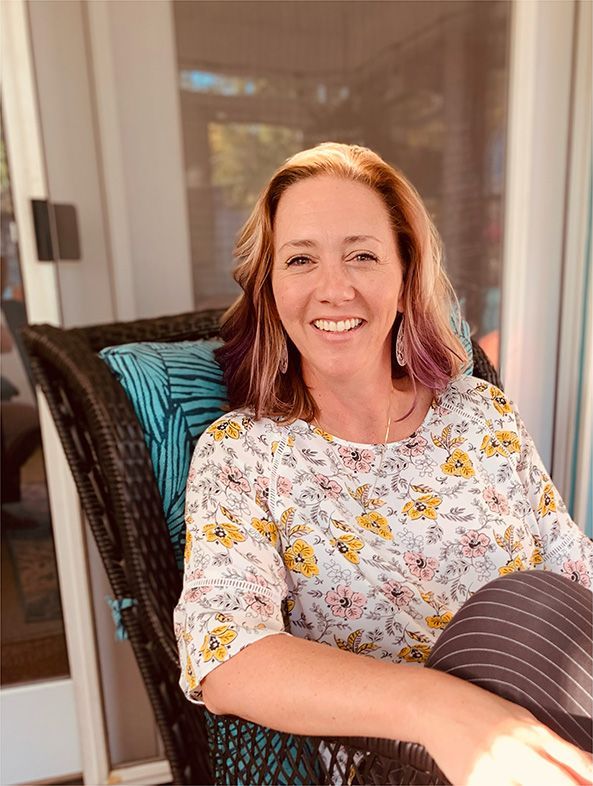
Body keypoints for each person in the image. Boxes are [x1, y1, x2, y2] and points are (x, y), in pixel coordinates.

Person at [174, 143, 592, 786]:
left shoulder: (479, 414)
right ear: (270, 288)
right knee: (528, 602)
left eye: (362, 256)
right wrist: (439, 709)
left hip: (558, 725)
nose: (333, 289)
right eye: (301, 259)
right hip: (401, 765)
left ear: (404, 278)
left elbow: (574, 573)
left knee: (538, 602)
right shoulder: (243, 453)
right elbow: (225, 656)